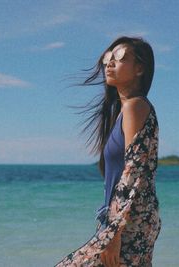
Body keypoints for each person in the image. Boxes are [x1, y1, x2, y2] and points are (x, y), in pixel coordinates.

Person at [54, 36, 161, 267]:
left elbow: (133, 173)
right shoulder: (122, 113)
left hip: (129, 223)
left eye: (120, 58)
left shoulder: (136, 106)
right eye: (107, 59)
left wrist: (114, 232)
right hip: (128, 220)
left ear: (140, 69)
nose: (110, 64)